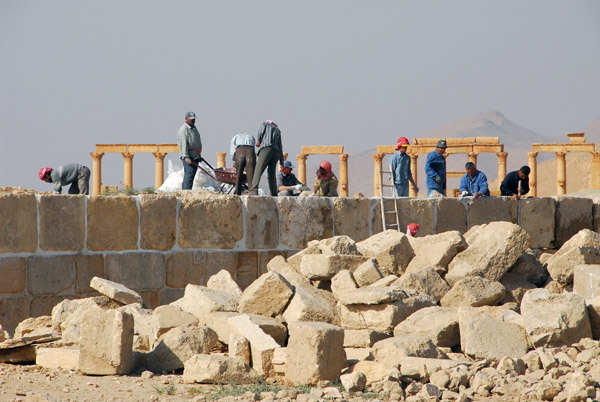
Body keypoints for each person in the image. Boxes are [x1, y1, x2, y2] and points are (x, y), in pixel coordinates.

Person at [251, 120, 284, 196]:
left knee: (258, 170)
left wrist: (259, 141)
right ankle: (274, 193)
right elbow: (280, 146)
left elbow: (261, 132)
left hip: (266, 148)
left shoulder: (265, 124)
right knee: (271, 174)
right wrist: (281, 162)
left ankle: (254, 189)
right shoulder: (278, 130)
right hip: (276, 152)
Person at [177, 111, 202, 190]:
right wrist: (185, 156)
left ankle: (185, 190)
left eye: (194, 119)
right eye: (191, 119)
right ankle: (186, 192)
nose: (193, 121)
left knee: (191, 175)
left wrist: (199, 154)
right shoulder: (184, 130)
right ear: (186, 119)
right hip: (189, 156)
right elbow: (184, 144)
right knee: (189, 175)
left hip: (195, 156)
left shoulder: (193, 128)